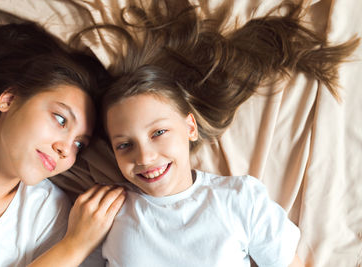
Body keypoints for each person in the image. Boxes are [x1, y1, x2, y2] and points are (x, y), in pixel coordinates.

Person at [76, 0, 359, 266]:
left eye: (159, 132)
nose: (145, 156)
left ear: (189, 127)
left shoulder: (239, 199)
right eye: (125, 145)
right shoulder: (106, 213)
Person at [0, 18, 125, 266]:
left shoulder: (49, 214)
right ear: (9, 99)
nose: (64, 149)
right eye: (60, 120)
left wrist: (76, 244)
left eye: (79, 145)